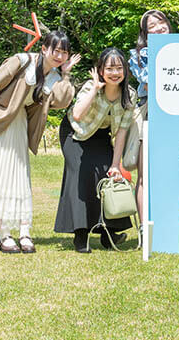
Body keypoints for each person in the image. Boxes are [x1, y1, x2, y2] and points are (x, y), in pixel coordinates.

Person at [0, 30, 81, 254]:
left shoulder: (54, 77)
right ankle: (4, 234)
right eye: (56, 50)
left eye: (64, 52)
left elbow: (63, 101)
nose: (59, 56)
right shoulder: (21, 61)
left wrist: (66, 75)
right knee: (0, 178)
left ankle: (25, 232)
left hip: (19, 128)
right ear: (44, 48)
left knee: (19, 178)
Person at [55, 47, 137, 253]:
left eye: (119, 68)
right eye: (109, 68)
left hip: (100, 135)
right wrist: (94, 89)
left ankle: (109, 235)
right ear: (100, 70)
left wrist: (115, 165)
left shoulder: (129, 95)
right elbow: (77, 115)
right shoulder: (90, 87)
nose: (115, 73)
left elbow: (122, 132)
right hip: (74, 133)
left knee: (107, 175)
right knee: (81, 174)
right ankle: (80, 235)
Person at [128, 9, 172, 217]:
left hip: (178, 116)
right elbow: (147, 79)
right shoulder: (137, 55)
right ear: (145, 34)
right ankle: (145, 227)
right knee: (144, 174)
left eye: (160, 22)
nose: (158, 28)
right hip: (150, 114)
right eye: (151, 26)